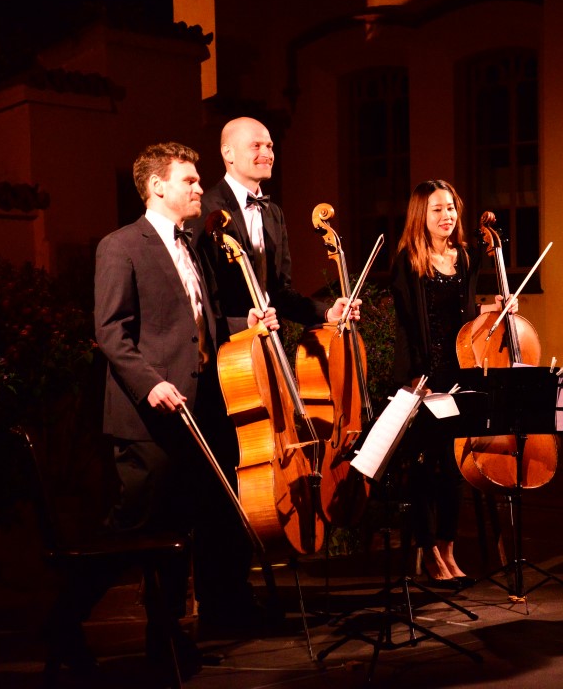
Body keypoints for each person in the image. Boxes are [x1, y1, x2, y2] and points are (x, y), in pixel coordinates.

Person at [59, 141, 219, 679]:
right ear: (156, 186)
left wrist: (245, 325)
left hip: (192, 413)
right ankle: (63, 621)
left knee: (176, 532)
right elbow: (111, 332)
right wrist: (151, 386)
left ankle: (166, 636)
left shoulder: (191, 245)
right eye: (189, 180)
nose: (199, 188)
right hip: (147, 417)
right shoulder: (121, 245)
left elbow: (195, 326)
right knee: (130, 528)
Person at [193, 116, 359, 627]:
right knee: (225, 479)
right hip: (227, 363)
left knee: (258, 471)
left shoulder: (275, 212)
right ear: (228, 153)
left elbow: (280, 292)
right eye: (256, 145)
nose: (267, 152)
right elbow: (202, 298)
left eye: (269, 144)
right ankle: (218, 600)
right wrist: (242, 324)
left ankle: (239, 591)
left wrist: (323, 311)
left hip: (267, 358)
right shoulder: (207, 211)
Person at [389, 179, 516, 589]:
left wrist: (496, 307)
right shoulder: (408, 261)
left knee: (454, 467)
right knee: (427, 468)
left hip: (460, 373)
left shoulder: (464, 257)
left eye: (451, 208)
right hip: (425, 378)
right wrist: (414, 381)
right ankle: (428, 550)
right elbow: (407, 326)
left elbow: (465, 314)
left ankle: (448, 547)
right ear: (421, 216)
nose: (447, 216)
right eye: (437, 209)